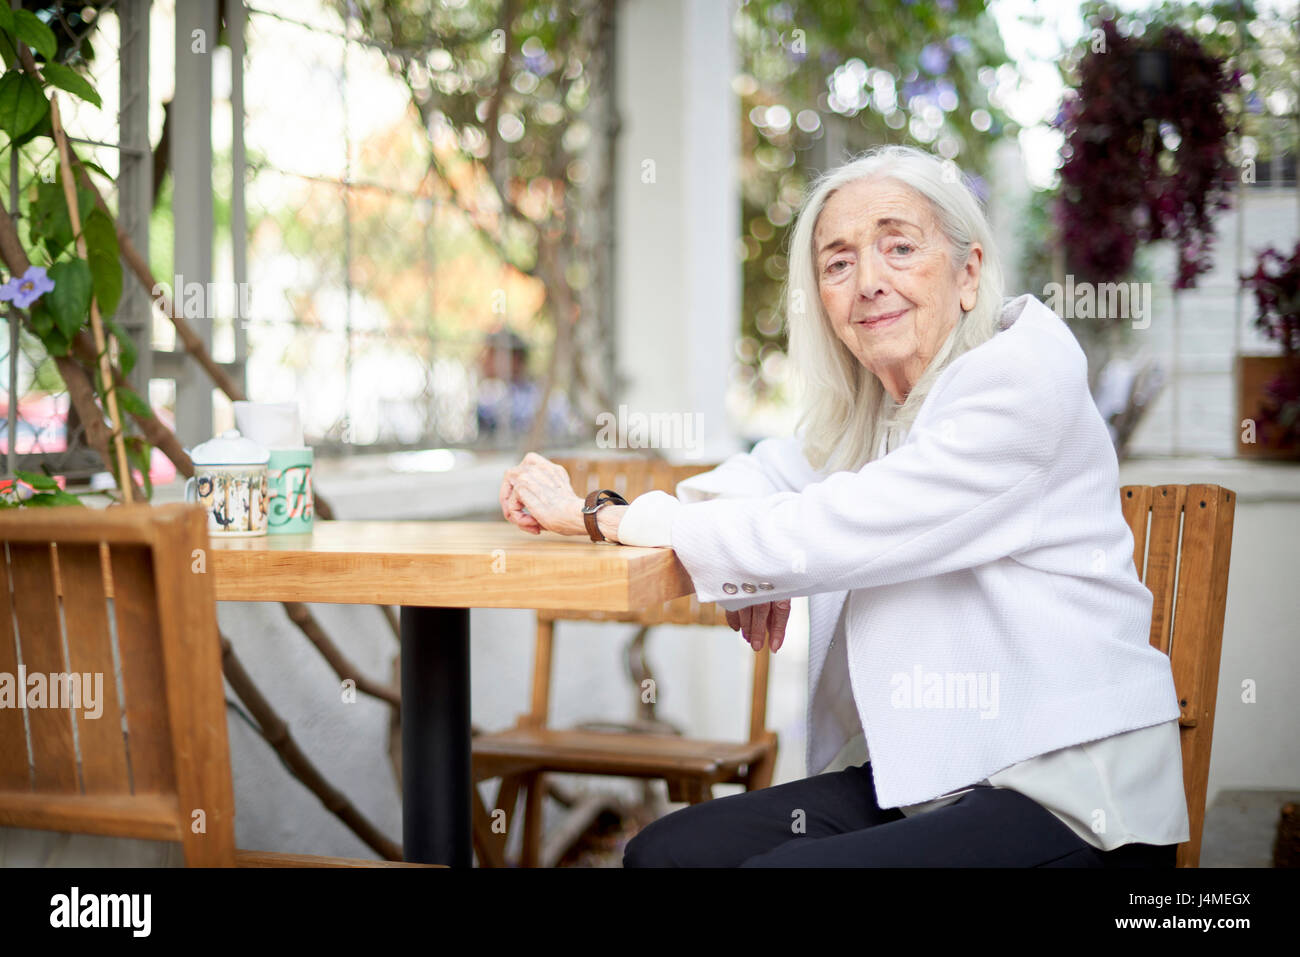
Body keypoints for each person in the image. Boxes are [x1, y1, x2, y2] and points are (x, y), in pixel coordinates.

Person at [498, 145, 1188, 867]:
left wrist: (602, 515)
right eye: (837, 263)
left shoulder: (1020, 379)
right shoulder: (881, 410)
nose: (868, 282)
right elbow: (768, 478)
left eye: (899, 246)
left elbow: (833, 527)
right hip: (934, 775)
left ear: (969, 272)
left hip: (1070, 793)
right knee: (666, 854)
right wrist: (745, 564)